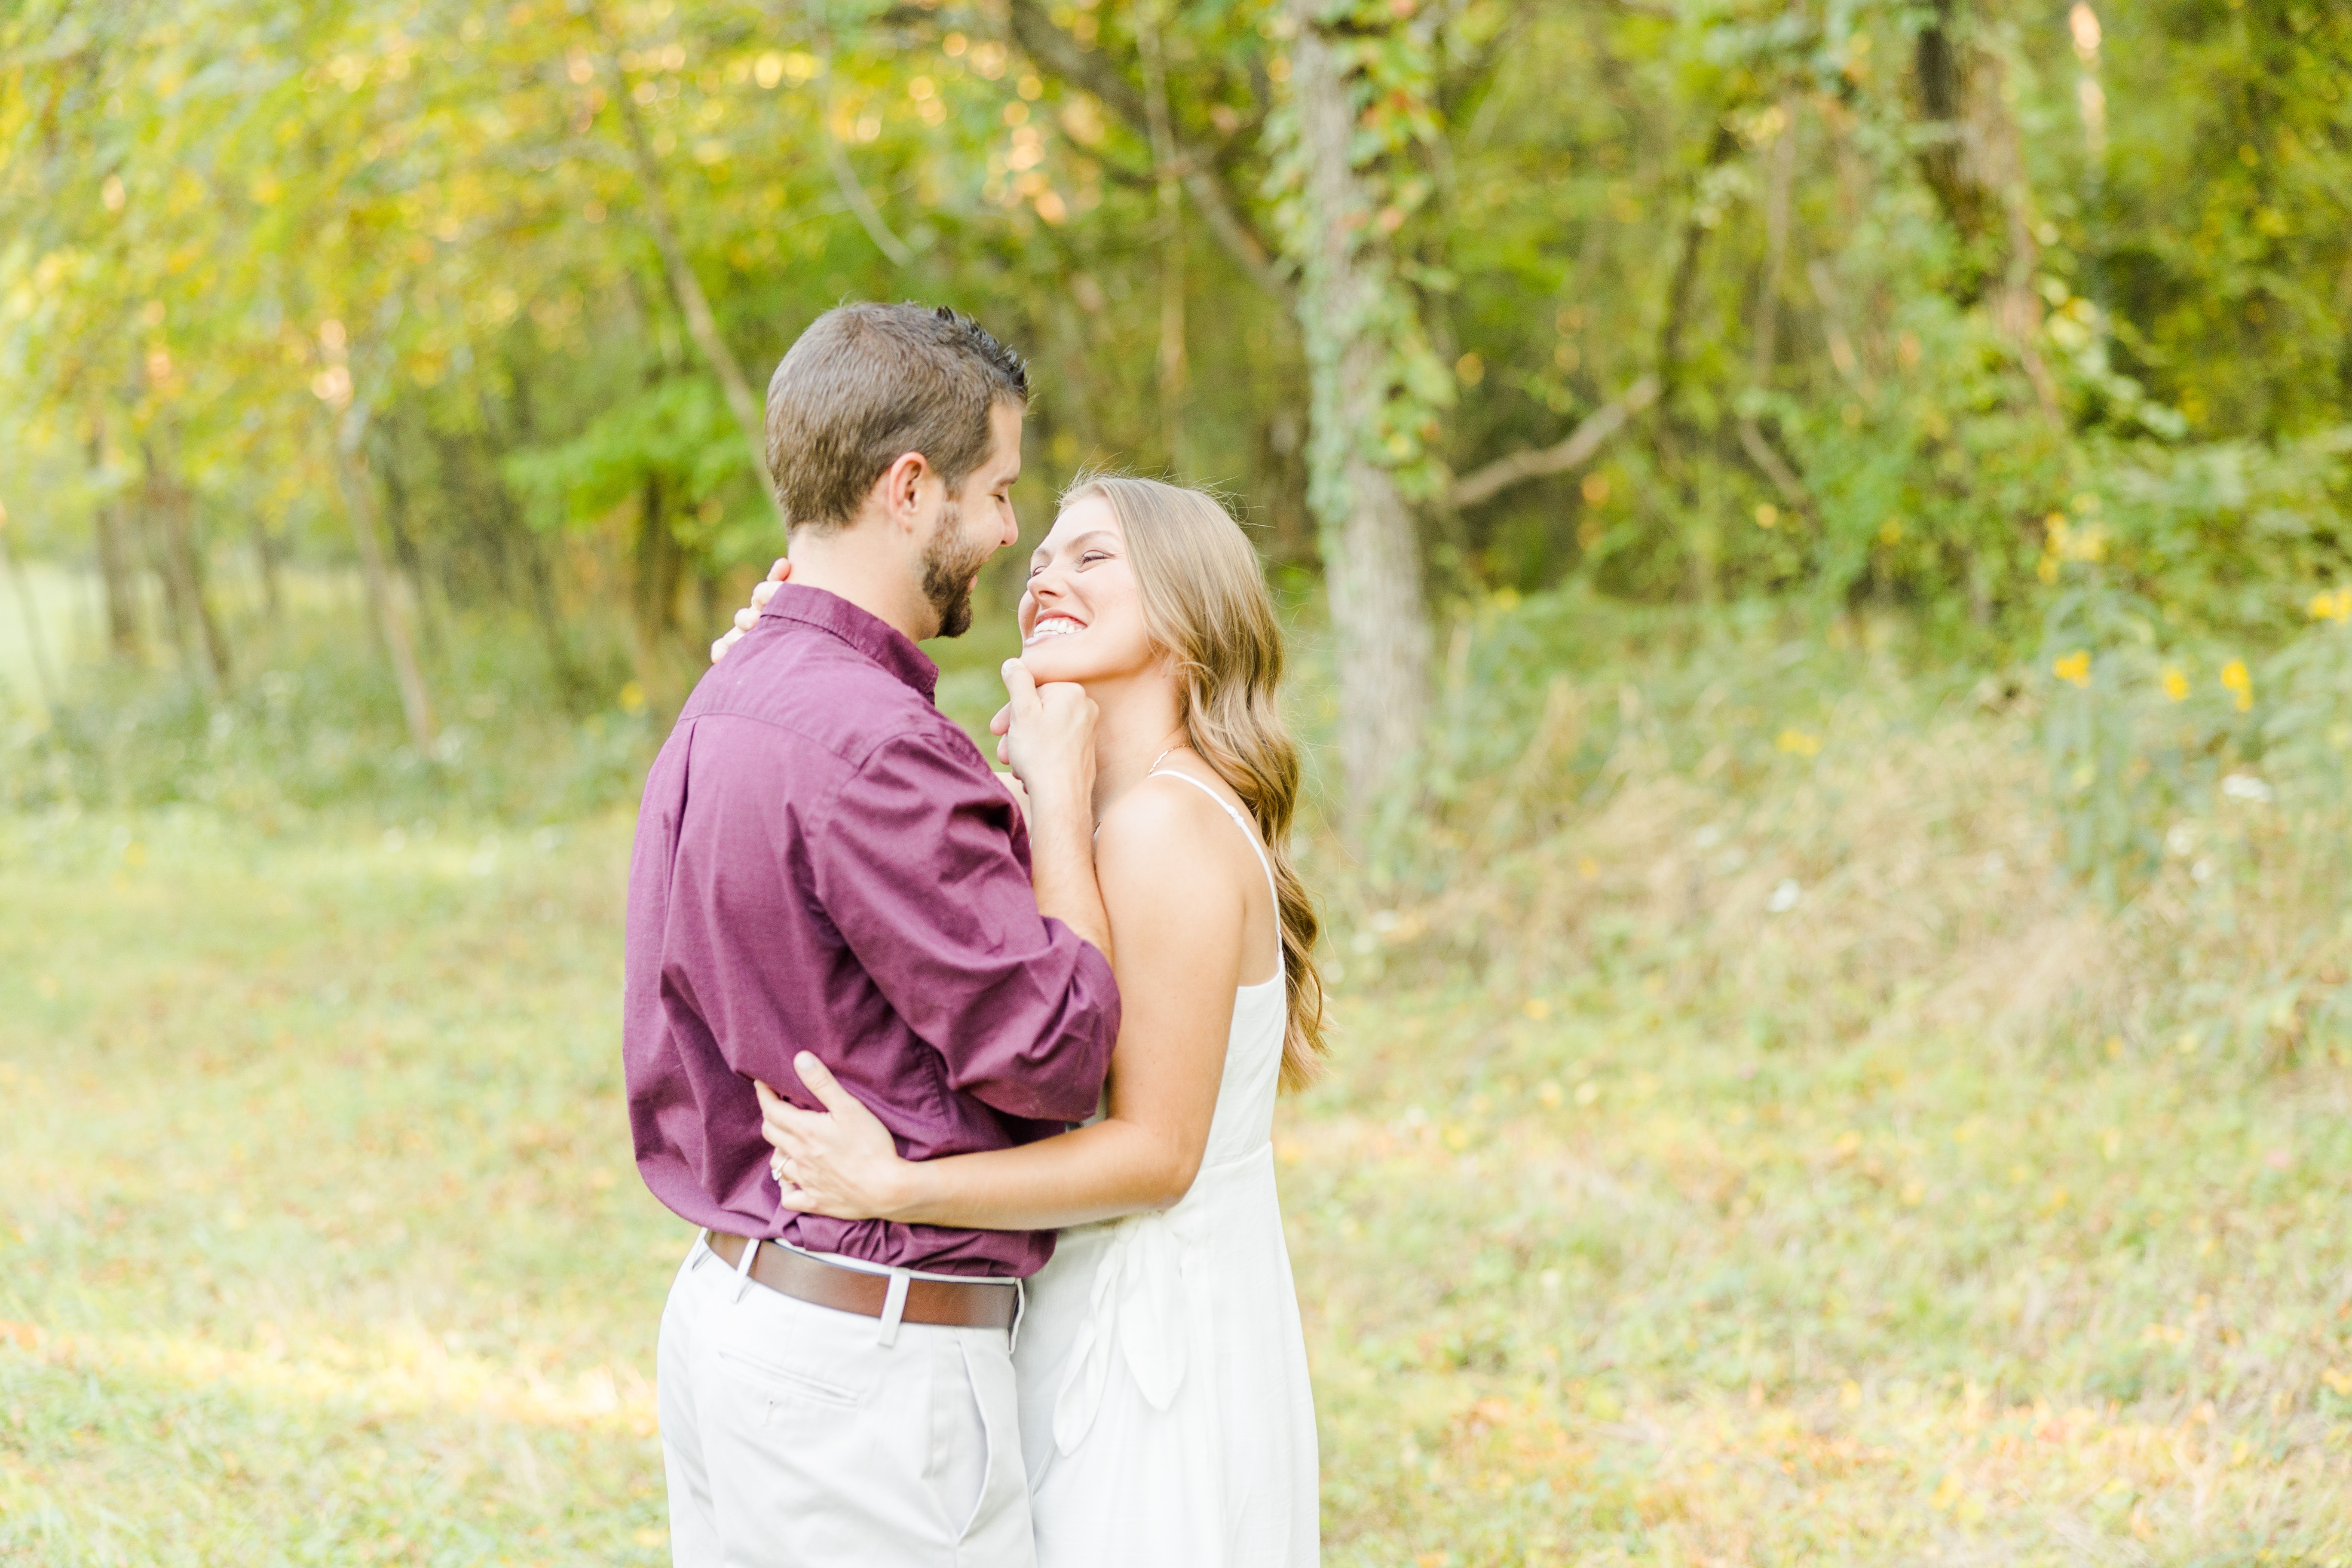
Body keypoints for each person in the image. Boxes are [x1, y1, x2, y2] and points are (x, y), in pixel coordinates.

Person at [724, 475, 1325, 1567]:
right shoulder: (1107, 816)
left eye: (1093, 557)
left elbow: (1157, 1154)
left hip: (1150, 1361)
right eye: (1042, 556)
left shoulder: (1163, 831)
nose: (1045, 573)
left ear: (1191, 607)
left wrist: (901, 1188)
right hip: (1091, 1311)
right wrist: (778, 671)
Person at [625, 302, 1124, 1568]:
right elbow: (1061, 1052)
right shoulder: (880, 750)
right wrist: (1058, 808)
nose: (1011, 532)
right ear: (912, 489)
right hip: (868, 1379)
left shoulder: (726, 695)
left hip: (738, 1320)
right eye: (998, 490)